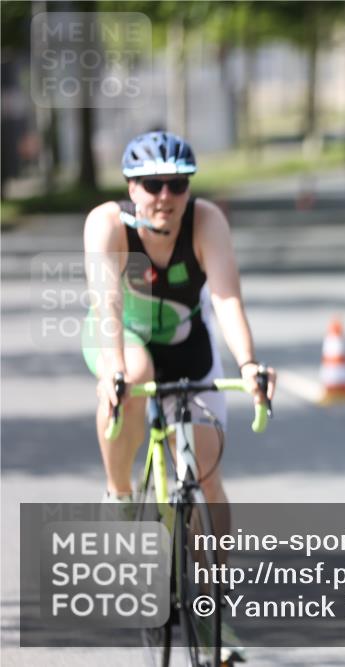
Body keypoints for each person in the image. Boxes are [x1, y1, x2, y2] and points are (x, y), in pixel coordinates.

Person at [82, 130, 276, 662]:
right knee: (134, 373)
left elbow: (227, 298)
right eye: (152, 185)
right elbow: (107, 303)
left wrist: (249, 365)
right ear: (131, 188)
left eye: (177, 183)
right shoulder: (107, 223)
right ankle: (120, 493)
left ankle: (214, 617)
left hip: (189, 344)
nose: (165, 195)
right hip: (123, 339)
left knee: (206, 476)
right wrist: (114, 372)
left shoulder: (206, 221)